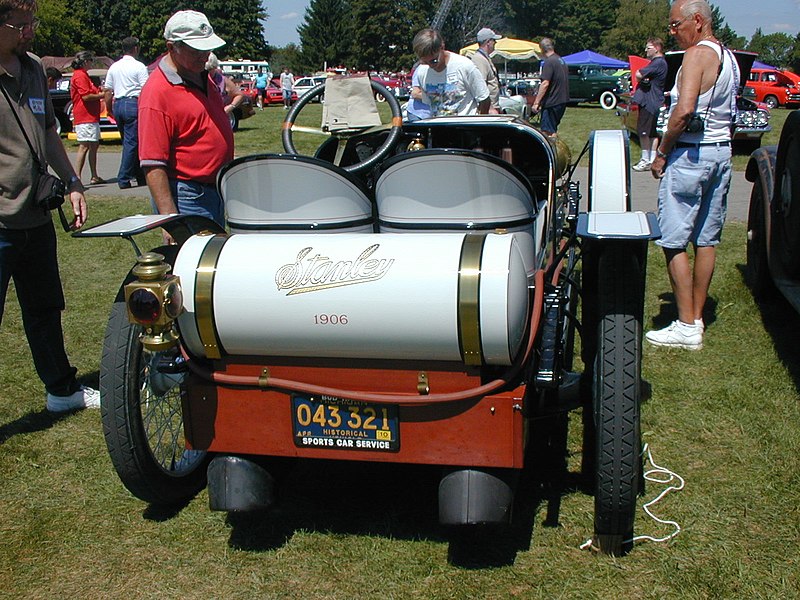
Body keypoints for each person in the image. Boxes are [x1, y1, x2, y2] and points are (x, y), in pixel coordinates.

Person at [0, 0, 99, 412]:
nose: (30, 31)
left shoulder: (35, 68)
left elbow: (48, 132)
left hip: (36, 216)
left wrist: (74, 181)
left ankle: (61, 390)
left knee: (44, 307)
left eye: (31, 22)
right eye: (20, 24)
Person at [646, 0, 740, 350]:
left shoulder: (695, 55)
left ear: (697, 21)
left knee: (673, 239)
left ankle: (686, 326)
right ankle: (696, 317)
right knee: (705, 238)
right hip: (721, 151)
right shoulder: (727, 56)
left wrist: (661, 152)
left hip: (691, 153)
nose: (673, 32)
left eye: (675, 25)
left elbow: (684, 111)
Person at [138, 9, 234, 233]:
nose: (205, 55)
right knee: (193, 263)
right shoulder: (157, 93)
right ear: (172, 47)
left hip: (214, 190)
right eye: (196, 50)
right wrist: (170, 221)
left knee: (212, 262)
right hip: (188, 197)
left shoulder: (201, 75)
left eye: (207, 48)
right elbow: (152, 164)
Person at [103, 36, 148, 189]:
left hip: (119, 103)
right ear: (135, 48)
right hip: (132, 103)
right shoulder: (139, 66)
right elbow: (145, 89)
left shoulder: (114, 67)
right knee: (132, 142)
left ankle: (140, 175)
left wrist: (109, 109)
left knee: (129, 142)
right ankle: (123, 178)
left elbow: (108, 90)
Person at [412, 28, 490, 117]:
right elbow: (430, 105)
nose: (430, 66)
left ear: (442, 47)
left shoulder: (464, 66)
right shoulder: (422, 72)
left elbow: (484, 99)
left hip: (465, 127)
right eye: (425, 62)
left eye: (434, 61)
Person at [631, 37, 667, 171]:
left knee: (644, 132)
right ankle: (652, 159)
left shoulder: (657, 63)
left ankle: (646, 159)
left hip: (649, 102)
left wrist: (641, 76)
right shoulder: (659, 63)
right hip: (654, 101)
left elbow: (639, 74)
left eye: (649, 48)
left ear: (657, 48)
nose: (646, 50)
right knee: (651, 133)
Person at [69, 50, 104, 184]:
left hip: (91, 116)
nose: (91, 64)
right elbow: (86, 96)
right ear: (85, 62)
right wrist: (102, 96)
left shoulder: (85, 76)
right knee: (84, 146)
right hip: (85, 116)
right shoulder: (79, 76)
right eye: (90, 61)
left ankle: (94, 175)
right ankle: (76, 177)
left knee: (94, 145)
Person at [532, 37, 569, 135]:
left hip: (552, 102)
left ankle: (551, 150)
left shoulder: (549, 62)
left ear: (543, 49)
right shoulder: (560, 60)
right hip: (561, 101)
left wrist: (536, 103)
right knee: (552, 130)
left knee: (547, 132)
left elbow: (545, 83)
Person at [206, 52, 244, 122]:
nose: (207, 73)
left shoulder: (223, 80)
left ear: (215, 67)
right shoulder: (197, 79)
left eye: (210, 69)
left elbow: (239, 95)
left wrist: (231, 107)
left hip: (219, 118)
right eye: (205, 70)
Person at [471, 27, 501, 114]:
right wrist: (490, 108)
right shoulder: (479, 59)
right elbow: (481, 86)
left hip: (491, 107)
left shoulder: (485, 58)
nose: (495, 43)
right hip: (487, 110)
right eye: (494, 41)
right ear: (488, 42)